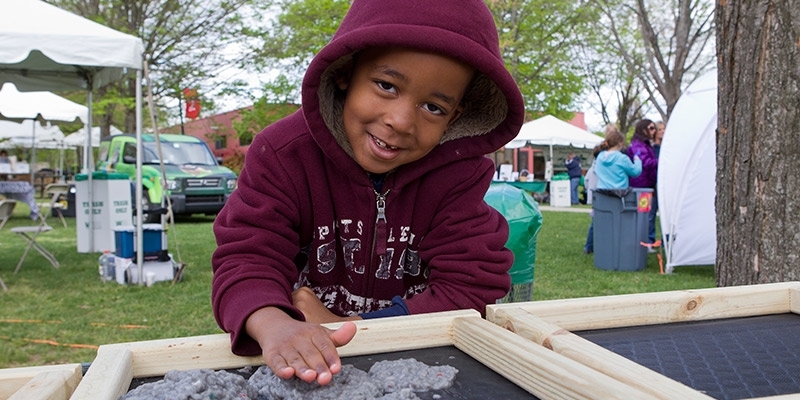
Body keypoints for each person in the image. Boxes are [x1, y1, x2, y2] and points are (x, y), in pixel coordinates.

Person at [211, 0, 524, 387]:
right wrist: (273, 323)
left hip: (418, 366)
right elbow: (247, 256)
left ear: (456, 116)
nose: (401, 120)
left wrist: (352, 327)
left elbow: (473, 285)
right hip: (301, 362)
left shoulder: (458, 175)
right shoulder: (282, 154)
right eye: (386, 86)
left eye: (433, 107)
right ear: (346, 72)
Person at [583, 124, 641, 253]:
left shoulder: (600, 157)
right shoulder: (622, 158)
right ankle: (617, 248)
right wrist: (637, 160)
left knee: (600, 223)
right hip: (619, 194)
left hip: (603, 193)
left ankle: (596, 247)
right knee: (620, 223)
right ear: (620, 143)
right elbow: (635, 172)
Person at [626, 119, 659, 245]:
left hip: (646, 185)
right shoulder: (638, 146)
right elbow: (645, 163)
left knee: (645, 215)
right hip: (641, 186)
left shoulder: (645, 145)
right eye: (651, 128)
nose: (654, 131)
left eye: (654, 128)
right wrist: (661, 161)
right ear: (643, 129)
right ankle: (642, 242)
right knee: (643, 216)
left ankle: (642, 242)